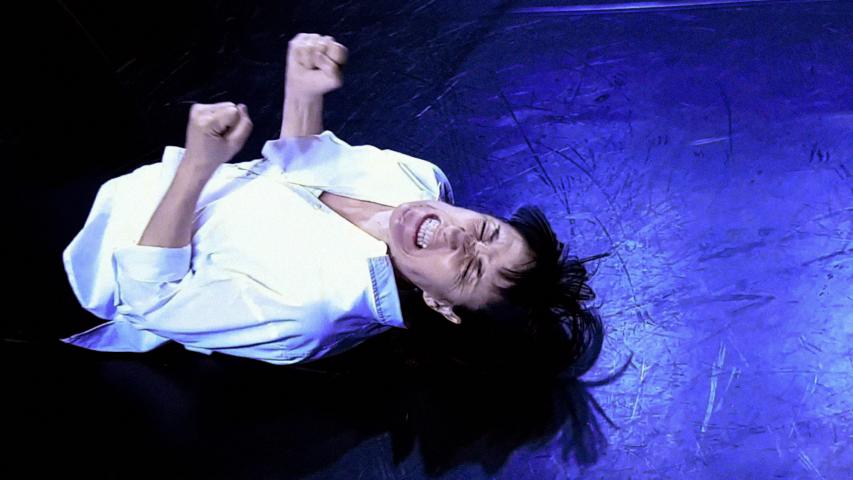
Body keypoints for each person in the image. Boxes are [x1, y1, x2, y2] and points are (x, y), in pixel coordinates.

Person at [60, 33, 607, 379]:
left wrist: (196, 169)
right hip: (133, 177)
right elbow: (301, 168)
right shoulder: (419, 179)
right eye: (486, 231)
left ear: (441, 305)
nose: (461, 237)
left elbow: (150, 297)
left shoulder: (306, 317)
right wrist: (304, 90)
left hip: (78, 257)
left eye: (468, 269)